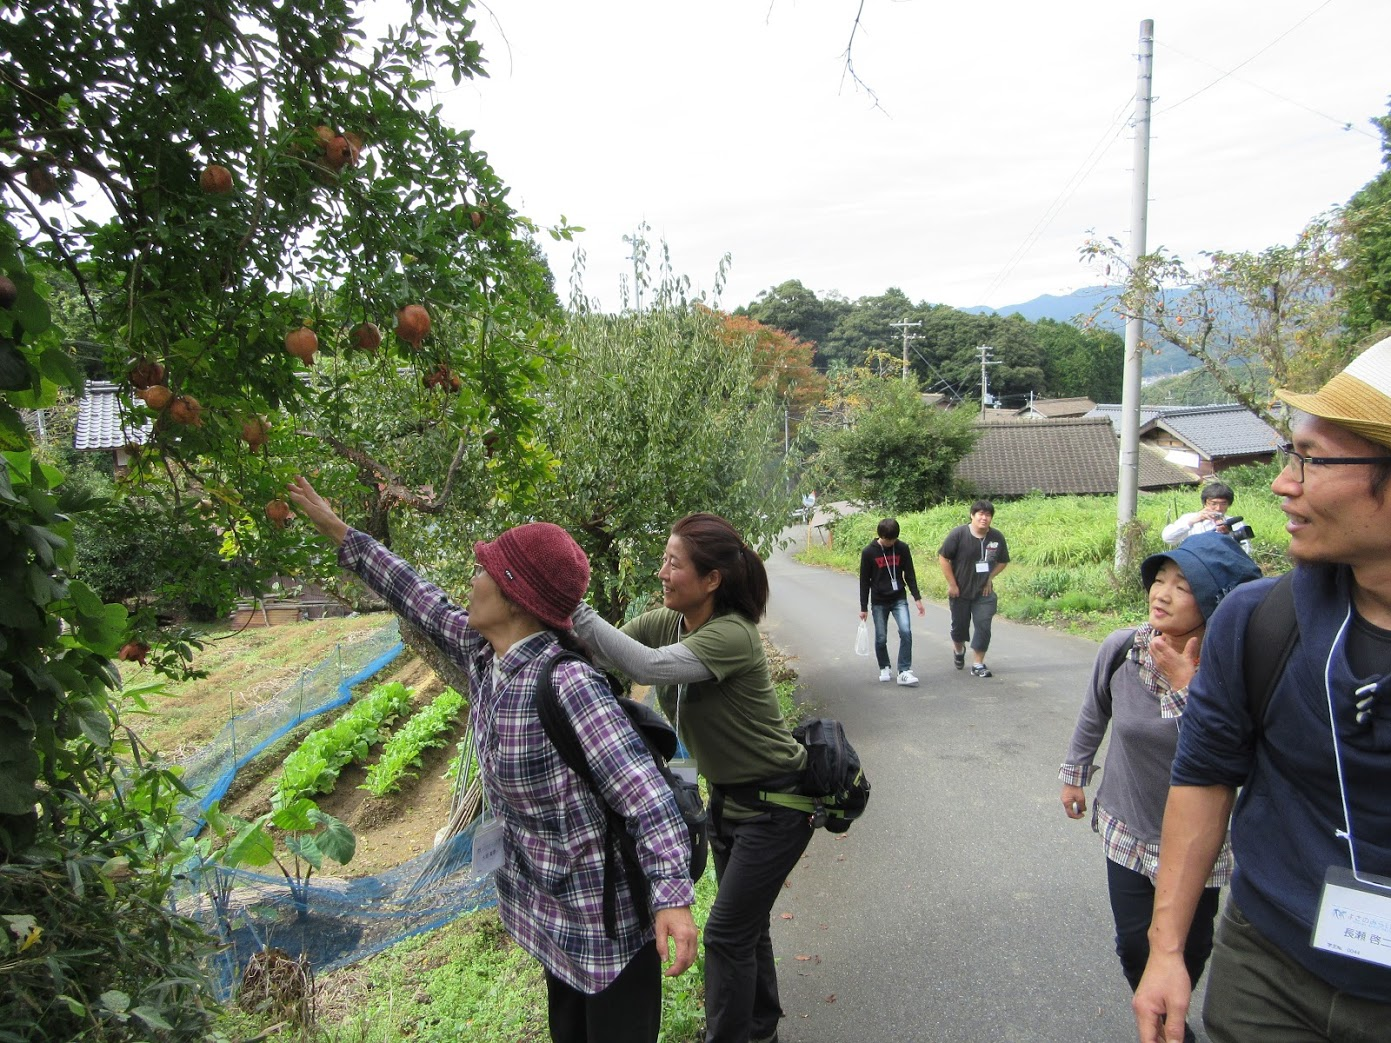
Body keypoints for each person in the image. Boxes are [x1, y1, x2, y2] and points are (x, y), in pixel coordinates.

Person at [284, 476, 697, 1043]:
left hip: (608, 925)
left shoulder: (568, 684)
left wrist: (672, 899)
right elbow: (418, 597)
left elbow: (647, 800)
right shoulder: (487, 657)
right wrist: (343, 534)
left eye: (483, 571)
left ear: (514, 596)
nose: (471, 579)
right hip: (552, 918)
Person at [1133, 335, 1391, 1043]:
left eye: (1310, 459)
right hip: (1269, 967)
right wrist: (1165, 950)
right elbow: (1204, 776)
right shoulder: (1258, 621)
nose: (1282, 482)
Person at [570, 513, 811, 1043]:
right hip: (731, 805)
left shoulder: (732, 634)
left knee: (726, 936)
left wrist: (576, 607)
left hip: (778, 806)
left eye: (673, 564)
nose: (662, 572)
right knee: (749, 931)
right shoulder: (671, 621)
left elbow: (651, 668)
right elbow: (604, 648)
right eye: (663, 560)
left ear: (712, 580)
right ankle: (761, 1030)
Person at [1060, 531, 1261, 1043]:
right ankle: (1171, 1028)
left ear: (1216, 601)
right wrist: (1075, 774)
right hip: (1128, 826)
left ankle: (1171, 1013)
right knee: (1135, 945)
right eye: (1158, 581)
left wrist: (1184, 687)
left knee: (1189, 948)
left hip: (1200, 846)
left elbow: (1229, 754)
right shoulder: (1123, 649)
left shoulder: (1232, 671)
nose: (1161, 593)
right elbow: (1093, 714)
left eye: (1182, 586)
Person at [938, 500, 1010, 678]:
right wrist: (952, 584)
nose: (984, 518)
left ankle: (978, 663)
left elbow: (1003, 561)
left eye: (988, 515)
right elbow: (943, 557)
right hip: (960, 590)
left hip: (983, 592)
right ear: (972, 515)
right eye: (980, 514)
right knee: (959, 627)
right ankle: (959, 649)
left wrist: (990, 578)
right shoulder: (959, 534)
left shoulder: (996, 537)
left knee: (983, 625)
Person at [858, 518, 926, 686]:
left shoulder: (902, 548)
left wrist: (917, 598)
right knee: (881, 637)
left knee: (906, 631)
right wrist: (863, 607)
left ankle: (904, 670)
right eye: (888, 540)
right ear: (880, 535)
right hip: (879, 600)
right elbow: (864, 581)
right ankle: (884, 666)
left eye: (893, 539)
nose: (890, 543)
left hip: (898, 598)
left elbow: (909, 574)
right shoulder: (869, 552)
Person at [1160, 482, 1236, 545]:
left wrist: (1227, 534)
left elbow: (1245, 550)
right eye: (1214, 504)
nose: (1218, 508)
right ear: (1205, 503)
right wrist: (1191, 522)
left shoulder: (1234, 522)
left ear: (1229, 504)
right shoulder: (1189, 518)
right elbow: (1168, 538)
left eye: (1223, 504)